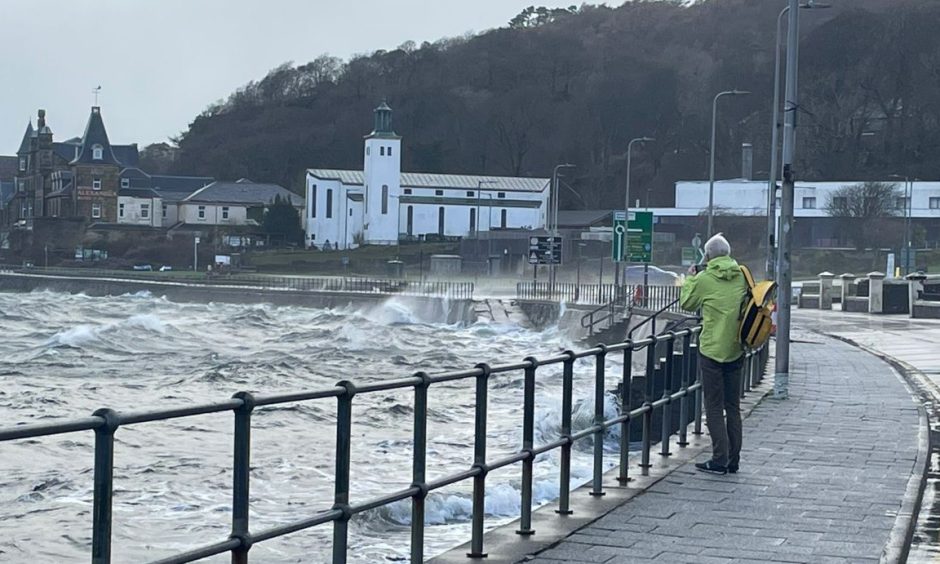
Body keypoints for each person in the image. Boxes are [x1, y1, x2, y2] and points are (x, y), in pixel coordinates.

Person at [679, 233, 747, 475]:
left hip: (711, 350)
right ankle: (734, 459)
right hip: (737, 347)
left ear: (707, 256)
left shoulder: (705, 278)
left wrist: (689, 279)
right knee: (733, 406)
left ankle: (719, 459)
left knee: (715, 406)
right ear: (728, 253)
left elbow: (686, 303)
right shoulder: (743, 275)